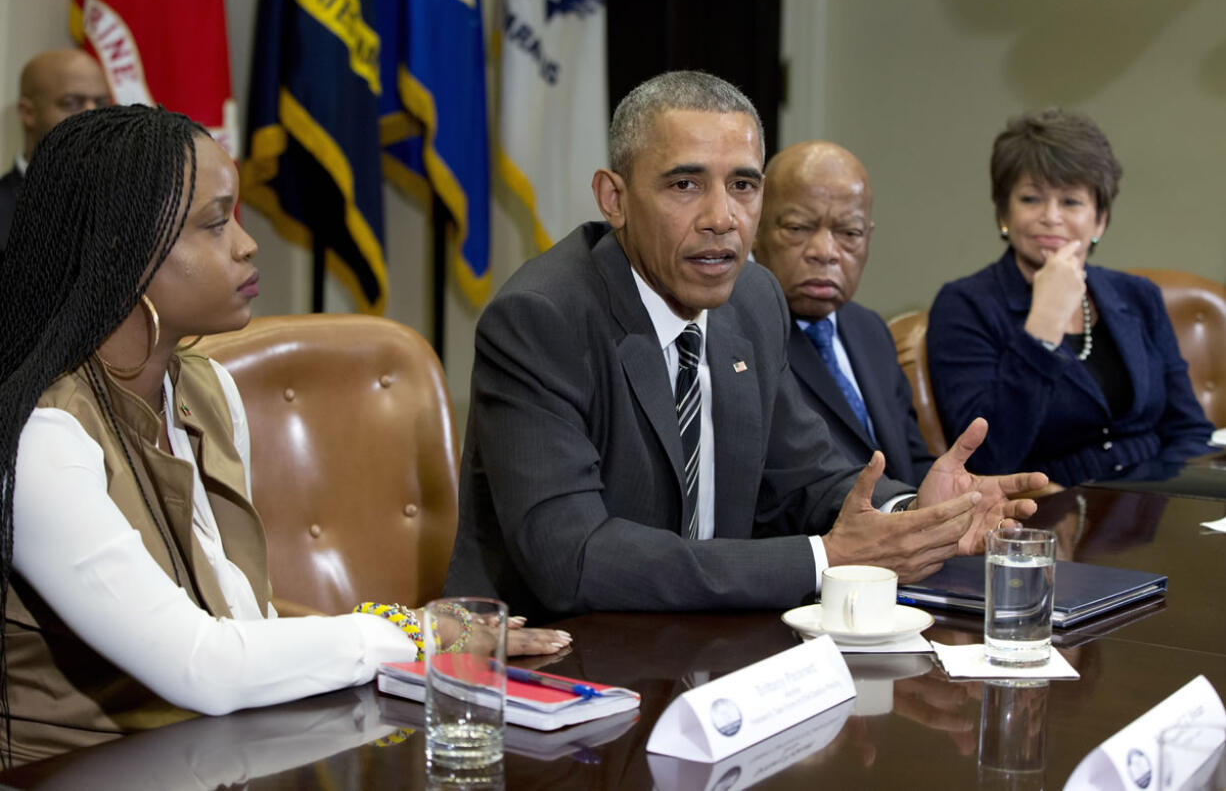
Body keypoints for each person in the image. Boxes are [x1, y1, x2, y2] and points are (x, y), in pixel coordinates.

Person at [0, 105, 569, 766]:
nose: (247, 243)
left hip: (216, 757)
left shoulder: (205, 391)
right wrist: (419, 635)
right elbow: (204, 665)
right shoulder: (39, 437)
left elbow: (246, 621)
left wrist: (421, 636)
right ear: (124, 252)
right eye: (215, 223)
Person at [444, 71, 1046, 623]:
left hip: (710, 649)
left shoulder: (753, 299)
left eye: (743, 186)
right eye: (685, 184)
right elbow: (574, 558)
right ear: (614, 198)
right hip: (556, 668)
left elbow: (802, 476)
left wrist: (915, 513)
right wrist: (822, 559)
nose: (721, 218)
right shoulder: (541, 319)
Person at [927, 108, 1214, 486]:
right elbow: (986, 456)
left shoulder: (1138, 296)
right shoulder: (965, 305)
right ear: (1003, 213)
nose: (1051, 217)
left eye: (1071, 202)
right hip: (1044, 513)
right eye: (1031, 199)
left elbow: (1189, 431)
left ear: (1100, 219)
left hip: (1153, 507)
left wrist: (1172, 504)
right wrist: (1043, 326)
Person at [754, 141, 933, 485]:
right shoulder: (738, 336)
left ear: (868, 237)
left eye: (849, 233)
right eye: (798, 228)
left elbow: (912, 461)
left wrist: (964, 500)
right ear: (756, 230)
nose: (825, 252)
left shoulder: (869, 329)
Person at [0, 48, 112, 252]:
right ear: (28, 113)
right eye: (72, 103)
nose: (93, 115)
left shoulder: (125, 205)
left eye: (102, 103)